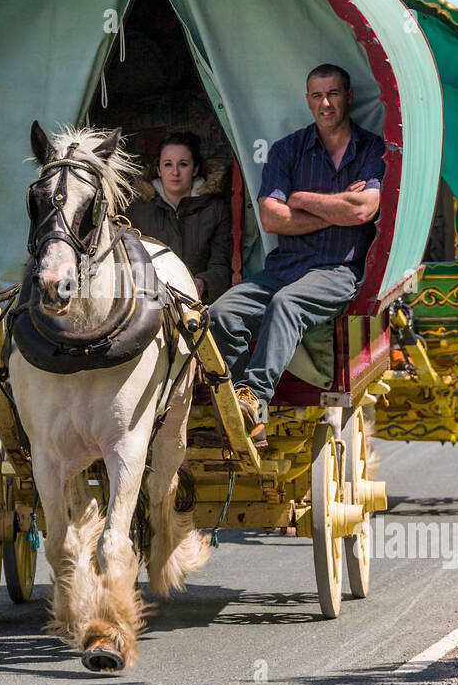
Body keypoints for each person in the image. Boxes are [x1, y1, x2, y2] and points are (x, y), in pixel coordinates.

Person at [197, 64, 383, 448]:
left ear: (348, 95)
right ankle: (248, 421)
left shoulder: (371, 149)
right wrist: (334, 207)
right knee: (220, 315)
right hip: (284, 266)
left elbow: (363, 211)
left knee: (286, 304)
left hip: (337, 270)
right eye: (317, 95)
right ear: (307, 100)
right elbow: (271, 217)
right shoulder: (288, 150)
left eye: (333, 93)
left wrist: (299, 199)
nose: (326, 103)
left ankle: (252, 396)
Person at [125, 131, 232, 303]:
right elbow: (127, 262)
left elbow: (221, 265)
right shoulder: (136, 210)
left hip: (199, 303)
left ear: (195, 169)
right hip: (150, 304)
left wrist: (203, 283)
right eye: (168, 164)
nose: (175, 172)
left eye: (183, 164)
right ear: (159, 170)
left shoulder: (215, 208)